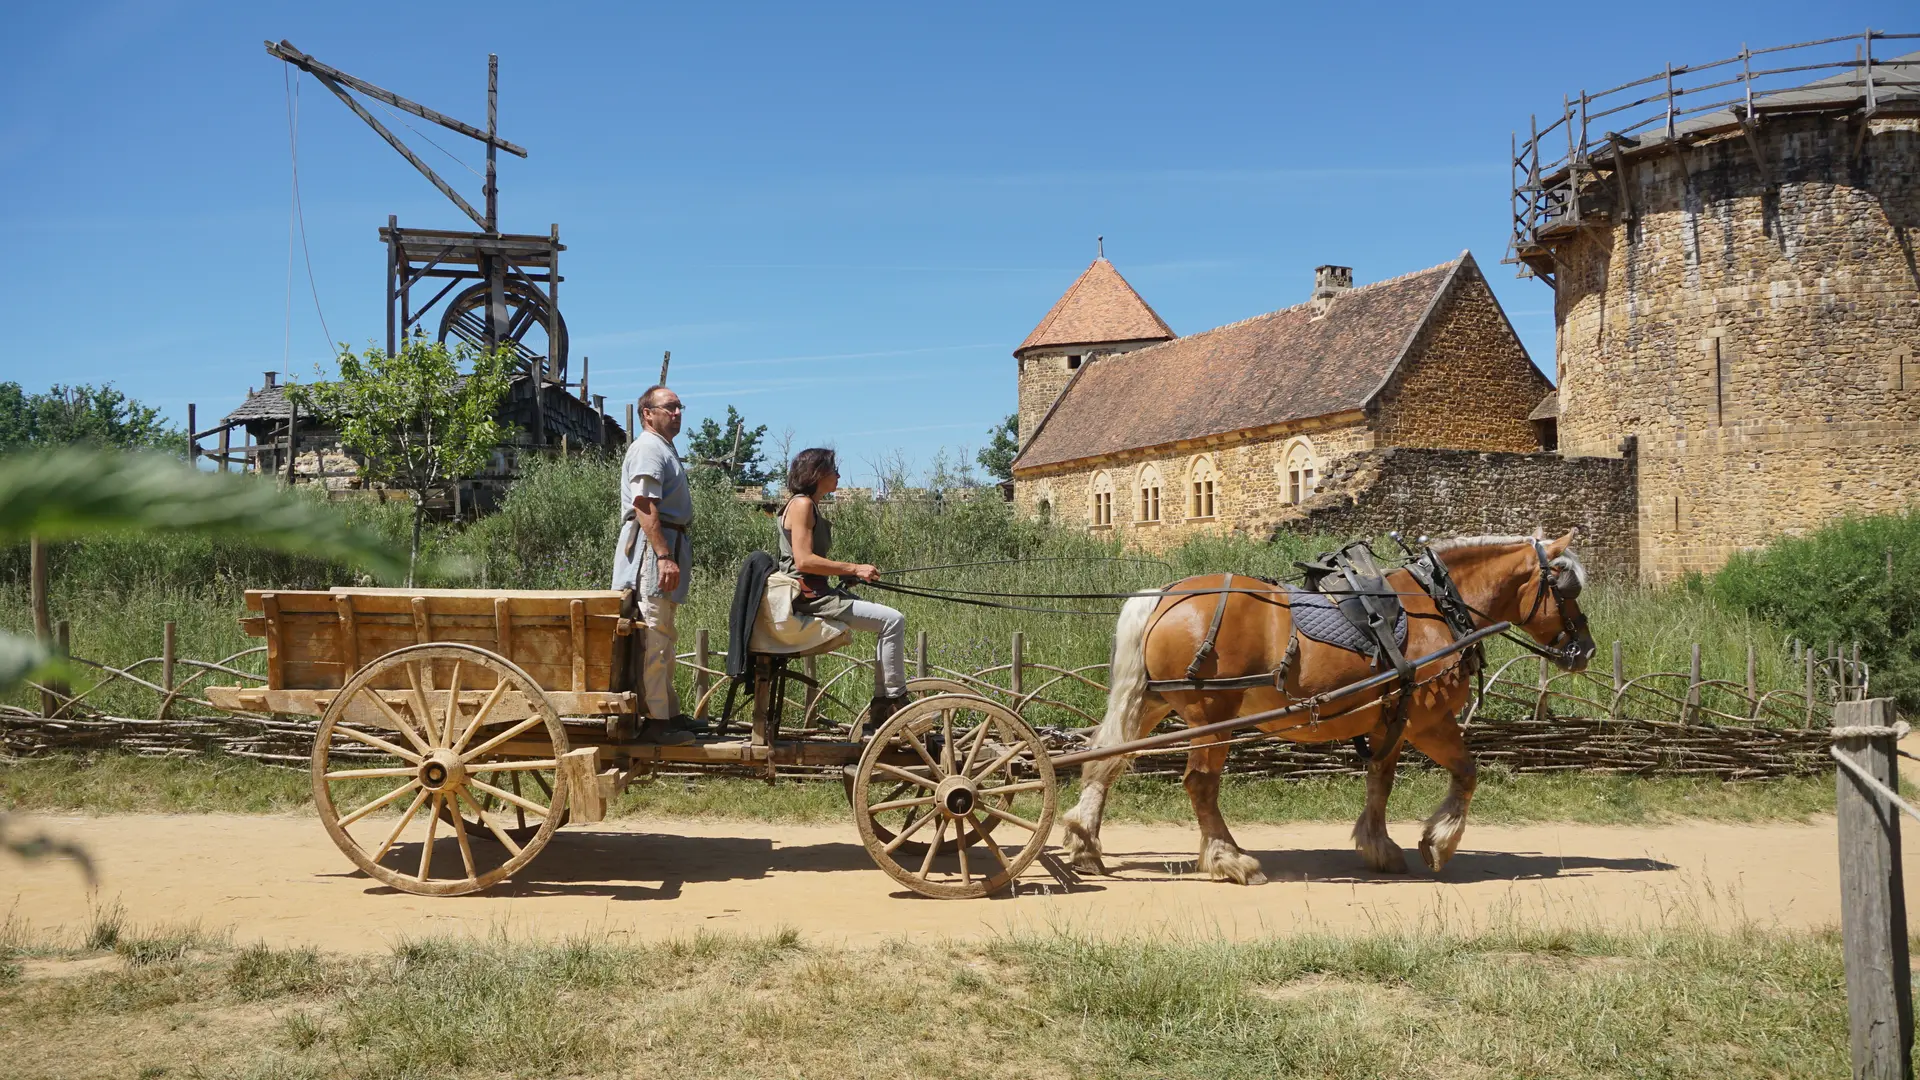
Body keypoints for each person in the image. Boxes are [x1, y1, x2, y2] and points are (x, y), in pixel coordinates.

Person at [778, 448, 911, 734]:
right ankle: (893, 703)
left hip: (815, 592)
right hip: (810, 597)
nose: (838, 475)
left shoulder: (808, 504)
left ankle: (884, 704)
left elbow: (809, 563)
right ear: (817, 474)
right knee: (892, 620)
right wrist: (853, 569)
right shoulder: (802, 504)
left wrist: (843, 575)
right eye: (833, 469)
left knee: (888, 622)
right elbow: (803, 561)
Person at [611, 384, 699, 744]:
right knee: (653, 634)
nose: (676, 413)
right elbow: (644, 505)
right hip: (652, 553)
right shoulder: (648, 448)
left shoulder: (663, 448)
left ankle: (668, 713)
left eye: (679, 407)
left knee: (663, 633)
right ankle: (656, 721)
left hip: (665, 545)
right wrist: (664, 555)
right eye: (669, 408)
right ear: (647, 413)